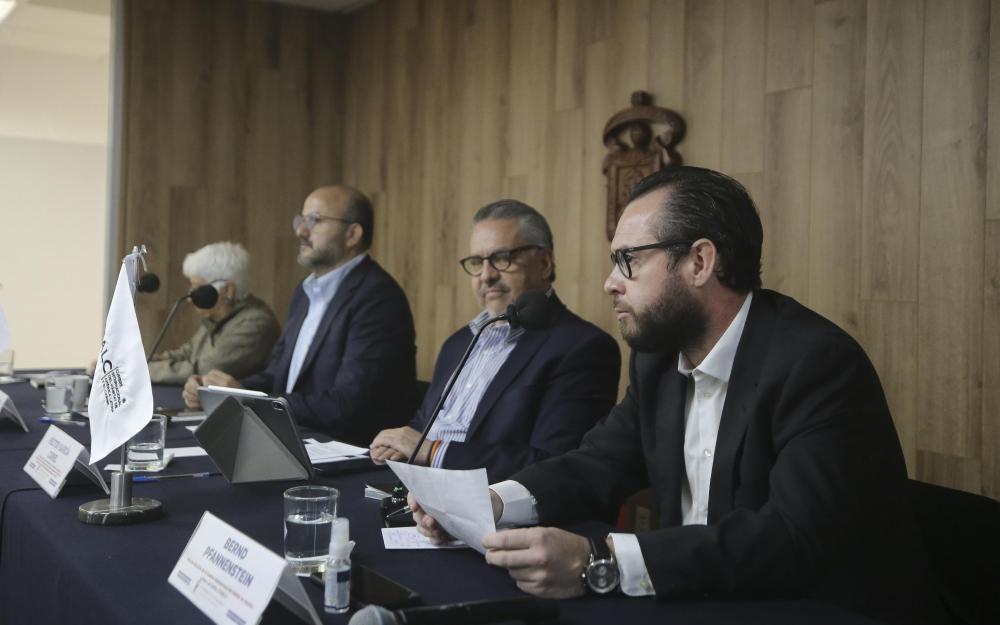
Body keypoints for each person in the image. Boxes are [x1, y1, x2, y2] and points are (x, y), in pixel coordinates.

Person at [410, 167, 947, 625]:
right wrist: (492, 502)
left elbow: (791, 538)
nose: (610, 283)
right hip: (693, 601)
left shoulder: (815, 363)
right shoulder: (659, 360)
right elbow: (597, 463)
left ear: (700, 262)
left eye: (628, 260)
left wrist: (600, 559)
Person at [370, 200, 620, 481]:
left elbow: (554, 464)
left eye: (502, 258)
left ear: (544, 263)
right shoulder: (457, 343)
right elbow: (425, 425)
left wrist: (433, 452)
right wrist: (395, 445)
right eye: (477, 262)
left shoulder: (583, 347)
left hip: (490, 501)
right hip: (415, 487)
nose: (486, 275)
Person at [183, 185, 417, 445]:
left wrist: (250, 400)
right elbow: (277, 376)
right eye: (301, 220)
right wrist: (220, 390)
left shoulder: (377, 298)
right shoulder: (304, 293)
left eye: (315, 220)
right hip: (294, 438)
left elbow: (347, 405)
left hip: (346, 449)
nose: (300, 231)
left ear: (352, 234)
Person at [145, 242, 279, 385]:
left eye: (198, 289)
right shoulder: (218, 317)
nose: (190, 298)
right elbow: (186, 354)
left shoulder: (255, 324)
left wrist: (143, 371)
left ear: (228, 290)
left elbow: (204, 369)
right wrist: (139, 364)